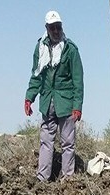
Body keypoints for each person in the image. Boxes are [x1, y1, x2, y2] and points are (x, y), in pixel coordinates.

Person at [24, 10, 84, 182]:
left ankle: (67, 180)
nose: (56, 31)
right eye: (53, 28)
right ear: (47, 28)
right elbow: (36, 75)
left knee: (67, 143)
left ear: (62, 27)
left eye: (58, 27)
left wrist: (77, 106)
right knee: (46, 141)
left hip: (65, 103)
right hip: (47, 101)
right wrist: (29, 97)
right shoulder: (40, 48)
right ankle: (42, 178)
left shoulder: (70, 49)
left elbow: (78, 80)